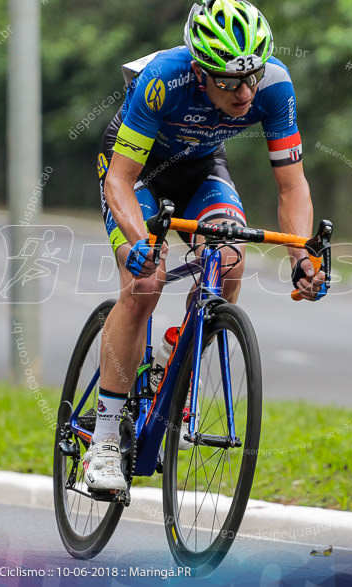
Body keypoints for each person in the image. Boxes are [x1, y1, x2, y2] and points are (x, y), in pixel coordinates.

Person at [83, 0, 328, 492]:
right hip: (137, 174)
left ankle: (182, 365)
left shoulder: (274, 86)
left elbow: (292, 186)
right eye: (228, 82)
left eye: (251, 77)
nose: (244, 92)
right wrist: (138, 243)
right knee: (146, 282)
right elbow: (121, 182)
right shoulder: (163, 79)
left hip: (200, 169)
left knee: (231, 260)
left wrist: (302, 256)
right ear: (199, 71)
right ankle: (105, 440)